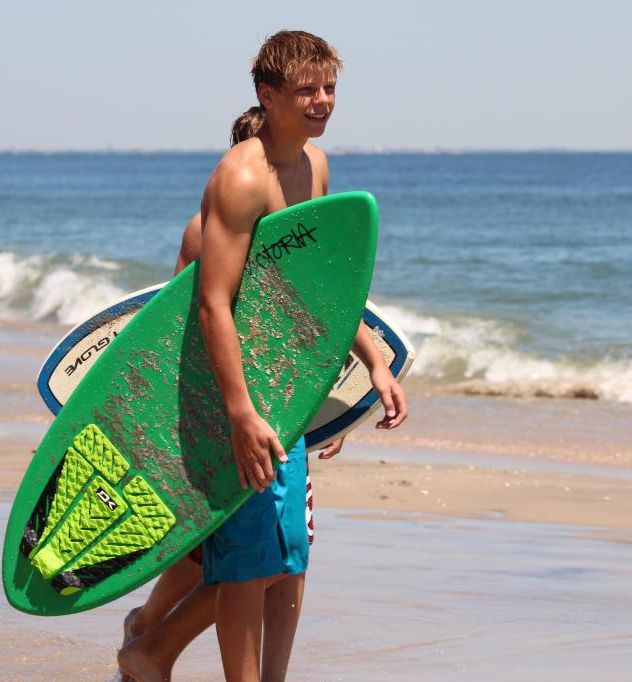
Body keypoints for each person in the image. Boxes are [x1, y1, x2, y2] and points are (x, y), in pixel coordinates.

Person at [118, 30, 406, 682]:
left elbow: (312, 290)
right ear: (267, 95)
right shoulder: (241, 179)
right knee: (248, 561)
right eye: (306, 89)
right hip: (236, 398)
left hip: (284, 390)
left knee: (287, 556)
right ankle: (155, 652)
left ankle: (157, 653)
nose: (322, 100)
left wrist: (370, 366)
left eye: (329, 87)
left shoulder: (316, 167)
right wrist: (239, 412)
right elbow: (212, 304)